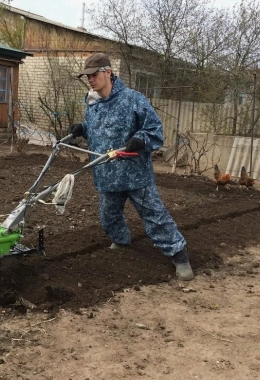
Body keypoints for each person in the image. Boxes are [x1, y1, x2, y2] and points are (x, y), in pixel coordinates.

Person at [69, 52, 194, 281]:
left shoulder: (133, 99)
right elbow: (97, 130)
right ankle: (121, 240)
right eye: (87, 77)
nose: (90, 80)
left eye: (94, 75)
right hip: (107, 175)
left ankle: (179, 255)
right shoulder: (93, 104)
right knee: (108, 217)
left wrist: (141, 139)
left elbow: (155, 130)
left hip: (135, 174)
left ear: (107, 72)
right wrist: (83, 129)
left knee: (155, 216)